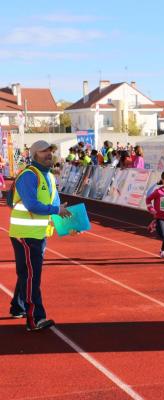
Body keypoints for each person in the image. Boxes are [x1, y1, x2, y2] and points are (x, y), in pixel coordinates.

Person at [8, 140, 71, 331]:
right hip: (25, 234)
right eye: (44, 151)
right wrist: (56, 210)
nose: (49, 154)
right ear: (35, 154)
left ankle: (18, 307)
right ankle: (35, 318)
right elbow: (32, 205)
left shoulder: (50, 177)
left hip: (37, 233)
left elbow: (59, 208)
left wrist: (70, 226)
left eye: (51, 151)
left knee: (26, 274)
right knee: (32, 276)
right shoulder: (28, 175)